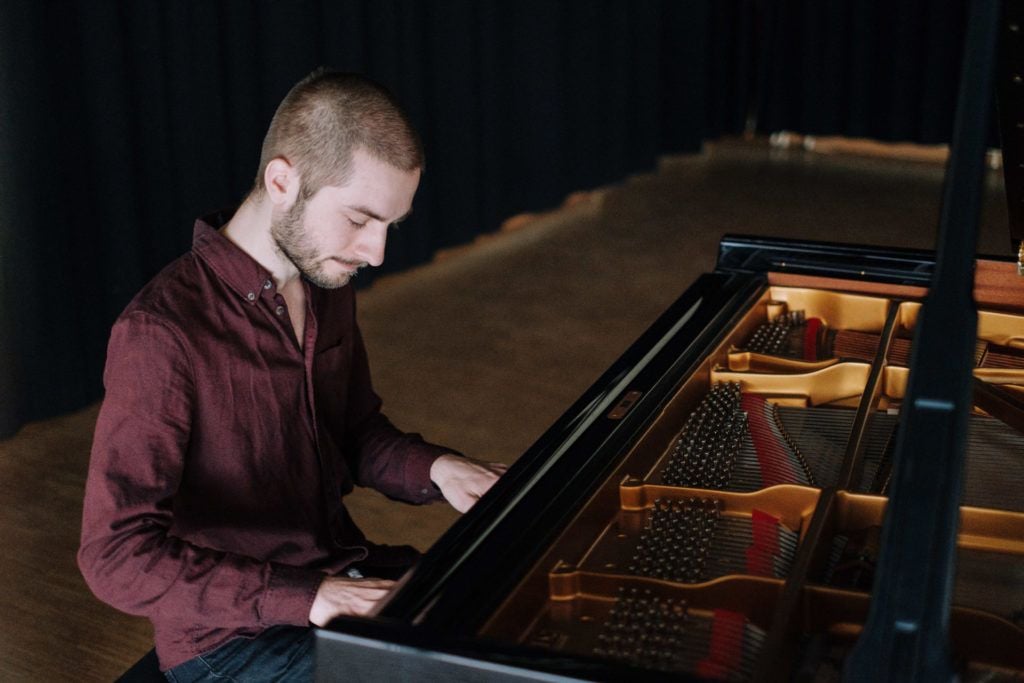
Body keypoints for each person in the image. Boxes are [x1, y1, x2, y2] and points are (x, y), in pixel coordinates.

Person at [78, 68, 506, 682]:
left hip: (338, 574)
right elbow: (115, 557)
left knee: (511, 617)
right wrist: (309, 596)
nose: (377, 252)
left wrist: (439, 468)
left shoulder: (325, 282)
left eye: (390, 225)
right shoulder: (161, 334)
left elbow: (353, 432)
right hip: (232, 643)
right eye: (360, 220)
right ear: (283, 181)